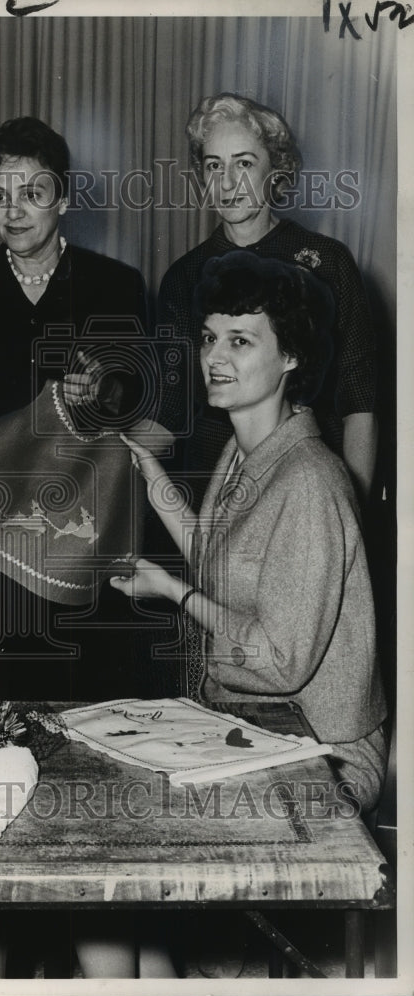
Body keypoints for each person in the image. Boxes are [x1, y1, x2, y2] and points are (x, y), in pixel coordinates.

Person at [113, 252, 387, 813]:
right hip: (254, 729)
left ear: (290, 356)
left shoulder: (310, 481)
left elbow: (280, 659)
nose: (213, 356)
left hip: (323, 753)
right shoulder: (244, 452)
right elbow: (215, 557)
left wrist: (172, 591)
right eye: (210, 337)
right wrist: (152, 475)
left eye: (240, 341)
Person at [0, 115, 172, 703]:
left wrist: (105, 394)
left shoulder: (116, 285)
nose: (14, 211)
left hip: (85, 530)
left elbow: (143, 401)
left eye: (32, 193)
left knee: (87, 699)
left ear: (64, 196)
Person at [157, 93, 377, 508]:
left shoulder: (327, 261)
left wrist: (353, 511)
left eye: (244, 164)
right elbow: (171, 407)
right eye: (213, 166)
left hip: (308, 488)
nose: (227, 183)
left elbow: (358, 400)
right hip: (213, 491)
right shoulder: (184, 276)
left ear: (275, 170)